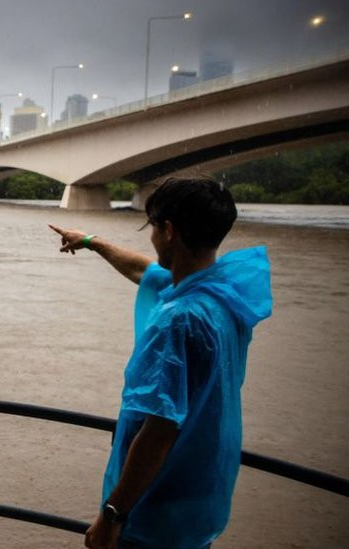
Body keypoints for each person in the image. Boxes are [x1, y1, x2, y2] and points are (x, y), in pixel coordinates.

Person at [50, 177, 272, 549]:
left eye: (152, 226)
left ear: (168, 231)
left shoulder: (178, 320)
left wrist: (112, 516)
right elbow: (145, 271)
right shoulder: (226, 296)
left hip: (154, 512)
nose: (151, 237)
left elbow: (158, 433)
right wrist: (90, 241)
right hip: (198, 503)